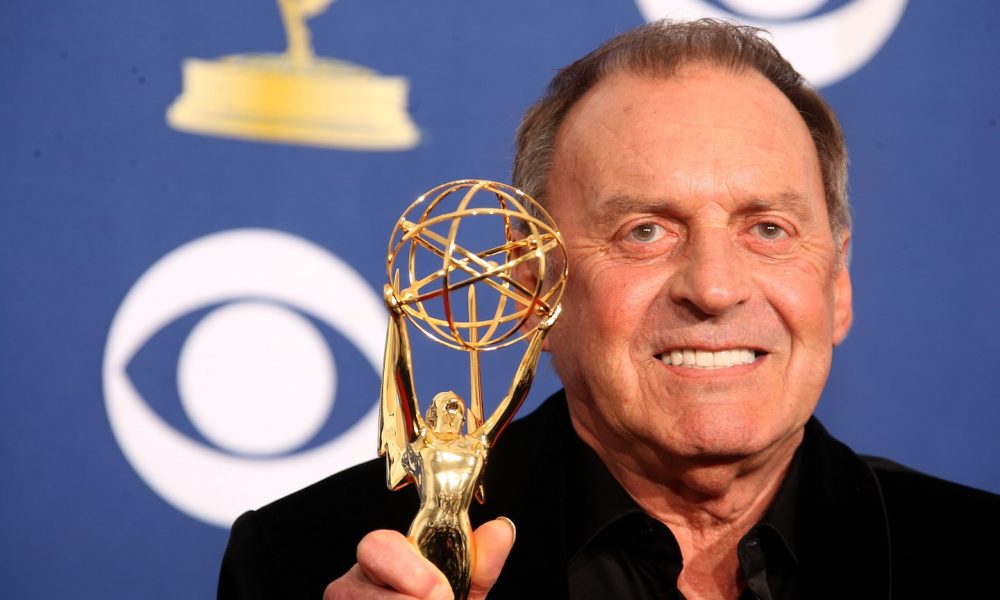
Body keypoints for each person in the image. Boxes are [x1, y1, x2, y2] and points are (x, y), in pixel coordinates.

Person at [218, 19, 1000, 599]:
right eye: (645, 231)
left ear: (837, 288)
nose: (716, 287)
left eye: (768, 228)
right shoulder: (306, 560)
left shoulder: (972, 552)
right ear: (537, 295)